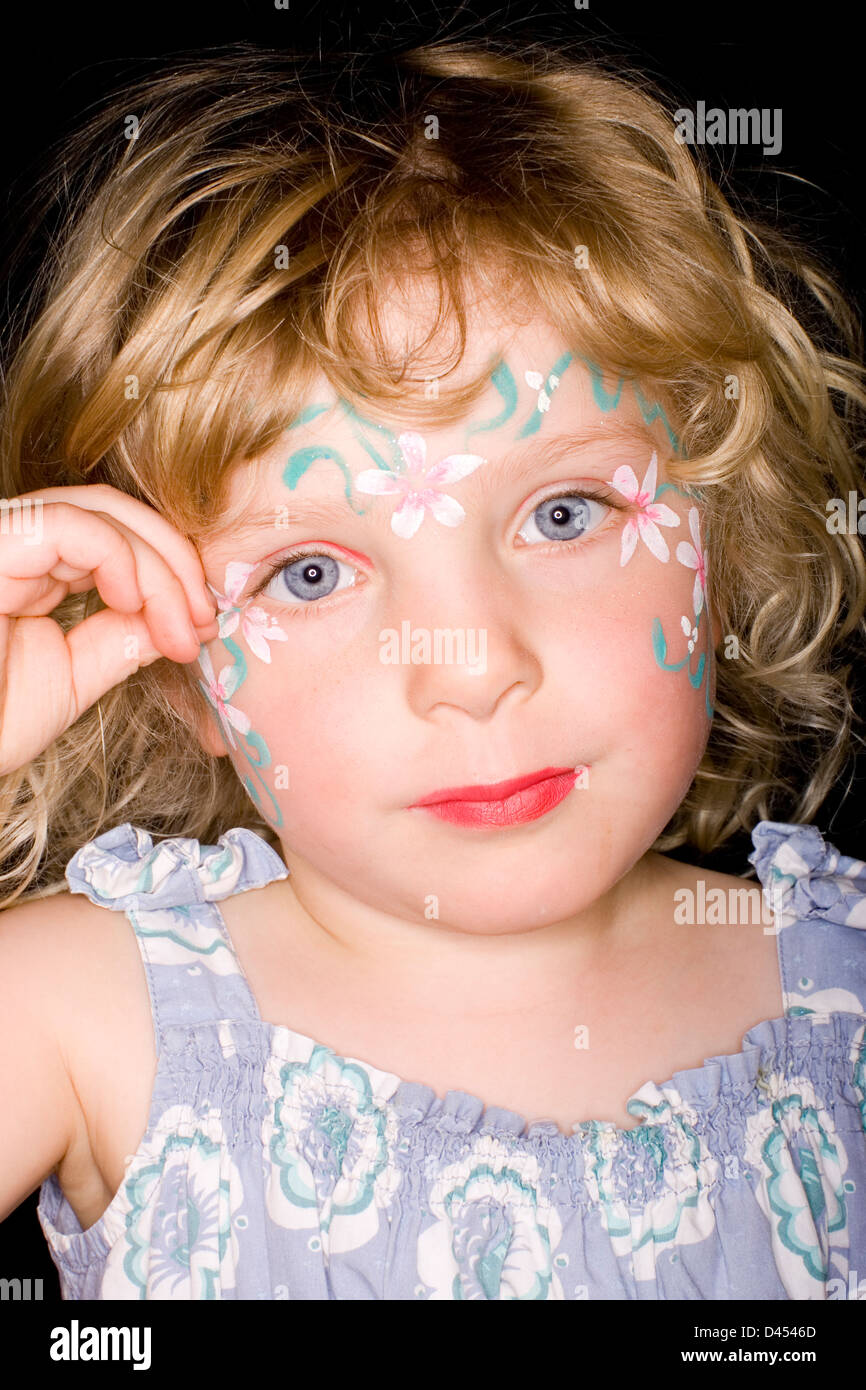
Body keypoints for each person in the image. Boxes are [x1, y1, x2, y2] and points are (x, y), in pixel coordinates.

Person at [0, 37, 864, 1301]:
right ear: (177, 673)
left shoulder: (842, 996)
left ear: (721, 544)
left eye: (564, 514)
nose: (471, 671)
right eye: (307, 573)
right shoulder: (77, 1017)